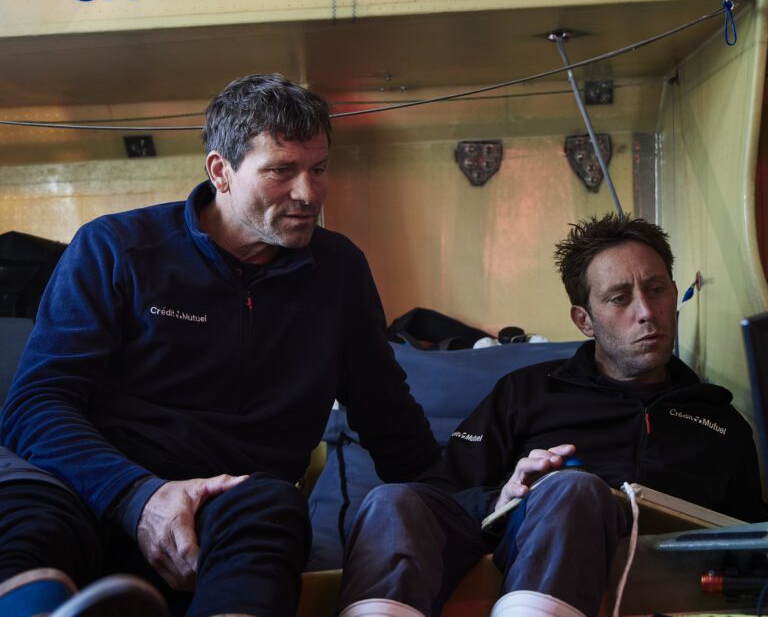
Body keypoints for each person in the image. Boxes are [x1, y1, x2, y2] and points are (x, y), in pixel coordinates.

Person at [0, 73, 441, 617]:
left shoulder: (339, 270)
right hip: (96, 488)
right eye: (282, 170)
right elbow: (35, 406)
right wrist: (138, 496)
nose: (309, 194)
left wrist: (484, 506)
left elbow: (390, 419)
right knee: (25, 506)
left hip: (230, 505)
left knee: (270, 507)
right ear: (220, 171)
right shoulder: (116, 248)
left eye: (319, 169)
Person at [337, 214, 767, 617]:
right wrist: (502, 497)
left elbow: (759, 540)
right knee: (393, 500)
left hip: (659, 575)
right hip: (527, 540)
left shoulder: (721, 421)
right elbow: (444, 490)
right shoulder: (526, 391)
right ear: (584, 320)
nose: (646, 312)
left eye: (656, 290)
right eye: (619, 298)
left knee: (575, 489)